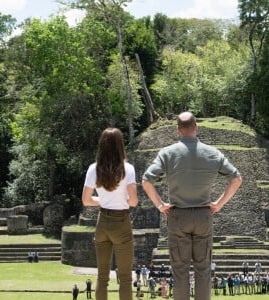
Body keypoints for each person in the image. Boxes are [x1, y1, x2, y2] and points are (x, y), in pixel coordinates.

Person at [142, 111, 242, 300]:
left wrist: (160, 205)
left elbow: (147, 180)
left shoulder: (167, 153)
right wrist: (219, 204)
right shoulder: (213, 153)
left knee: (180, 270)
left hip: (178, 216)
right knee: (203, 269)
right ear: (196, 127)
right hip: (204, 215)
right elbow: (236, 179)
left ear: (178, 130)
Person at [82, 127, 138, 300]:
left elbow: (86, 200)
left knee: (102, 276)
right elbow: (133, 201)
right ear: (120, 145)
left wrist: (103, 201)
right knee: (126, 278)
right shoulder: (127, 169)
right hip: (120, 221)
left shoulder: (94, 169)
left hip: (103, 222)